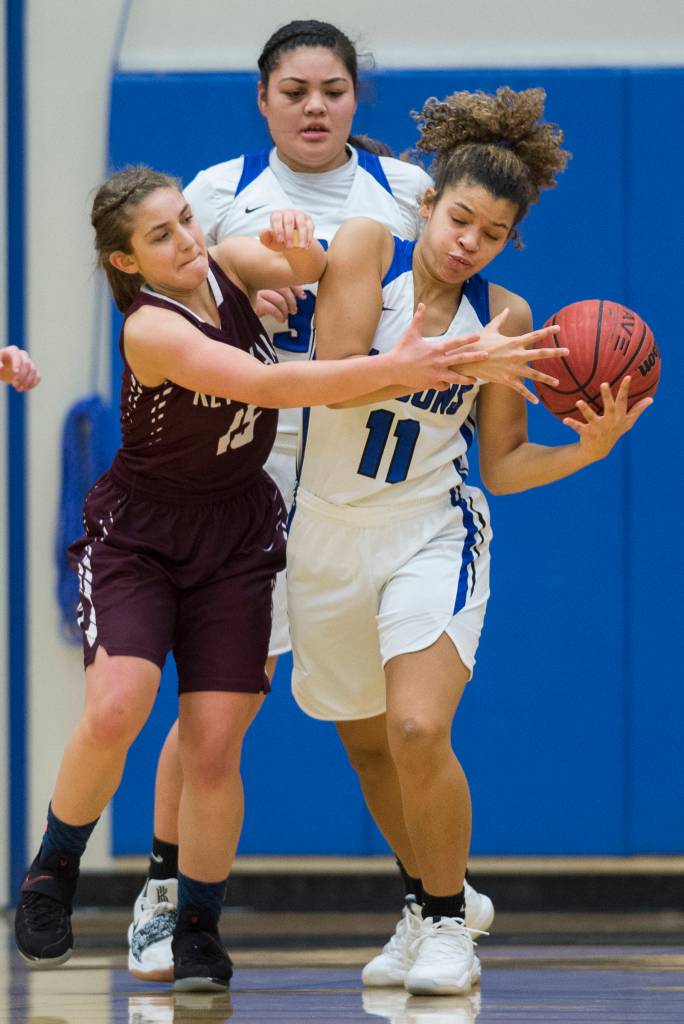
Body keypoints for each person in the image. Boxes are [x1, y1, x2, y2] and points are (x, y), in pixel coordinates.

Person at [13, 165, 487, 991]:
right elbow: (270, 384)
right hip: (141, 534)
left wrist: (302, 251)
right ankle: (55, 868)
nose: (187, 241)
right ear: (127, 263)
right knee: (119, 703)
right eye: (161, 237)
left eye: (186, 221)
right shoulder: (150, 329)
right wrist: (392, 369)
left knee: (215, 740)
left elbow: (318, 268)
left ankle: (199, 922)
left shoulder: (223, 262)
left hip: (238, 531)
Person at [127, 17, 493, 983]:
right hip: (246, 463)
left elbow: (451, 301)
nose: (315, 106)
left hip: (362, 463)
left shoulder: (409, 194)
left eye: (332, 89)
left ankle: (433, 900)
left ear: (353, 99)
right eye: (294, 91)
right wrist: (251, 284)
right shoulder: (216, 192)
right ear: (263, 99)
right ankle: (162, 899)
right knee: (221, 698)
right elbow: (166, 311)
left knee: (379, 720)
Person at [286, 86, 652, 996]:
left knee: (417, 726)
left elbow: (505, 463)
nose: (467, 242)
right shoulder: (366, 249)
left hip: (430, 532)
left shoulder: (509, 317)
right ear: (426, 203)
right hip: (327, 533)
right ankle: (427, 899)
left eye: (491, 233)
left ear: (507, 242)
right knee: (366, 744)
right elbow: (331, 383)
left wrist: (590, 448)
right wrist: (440, 356)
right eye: (458, 218)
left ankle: (449, 928)